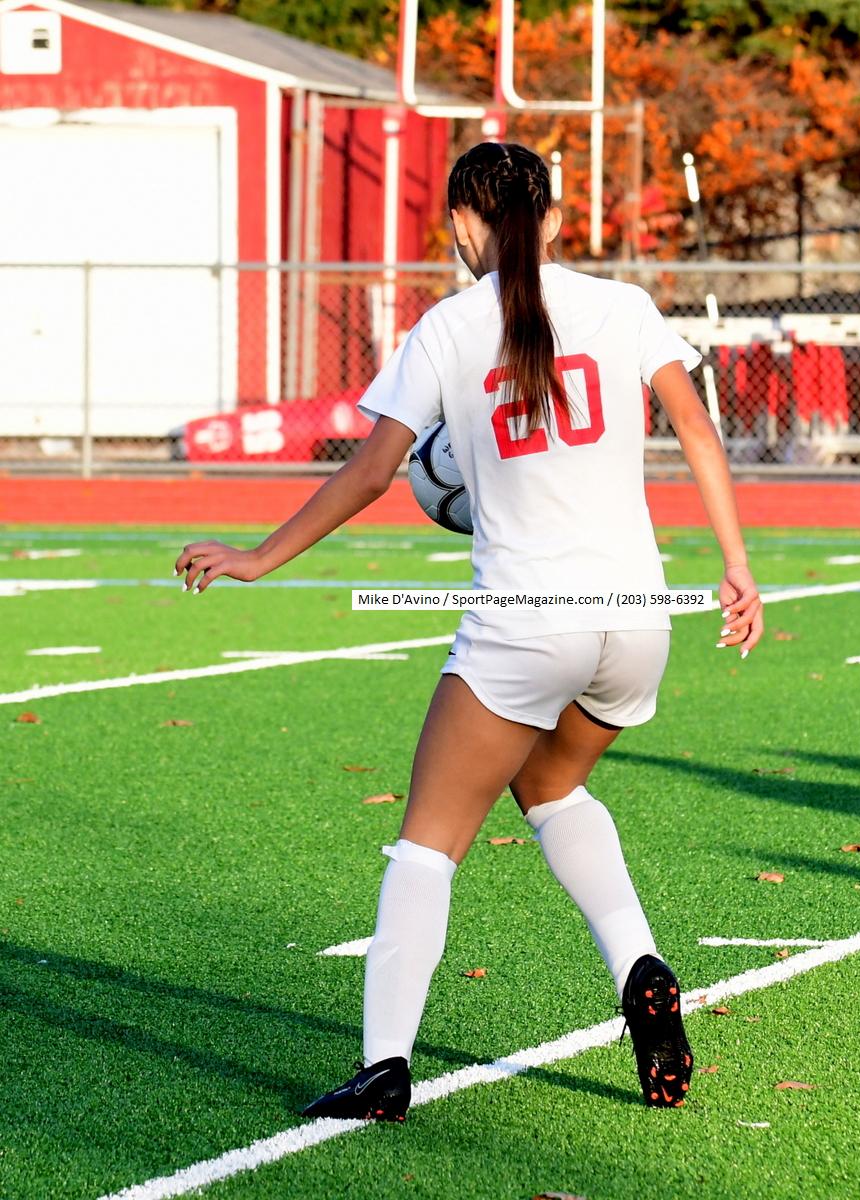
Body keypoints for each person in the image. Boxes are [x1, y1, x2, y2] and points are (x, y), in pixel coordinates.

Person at [173, 141, 763, 1124]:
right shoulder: (624, 306)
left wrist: (259, 556)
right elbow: (698, 434)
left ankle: (383, 1067)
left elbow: (372, 470)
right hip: (636, 622)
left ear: (460, 222)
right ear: (554, 219)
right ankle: (640, 967)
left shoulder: (447, 327)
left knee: (428, 845)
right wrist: (737, 567)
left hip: (524, 625)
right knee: (550, 786)